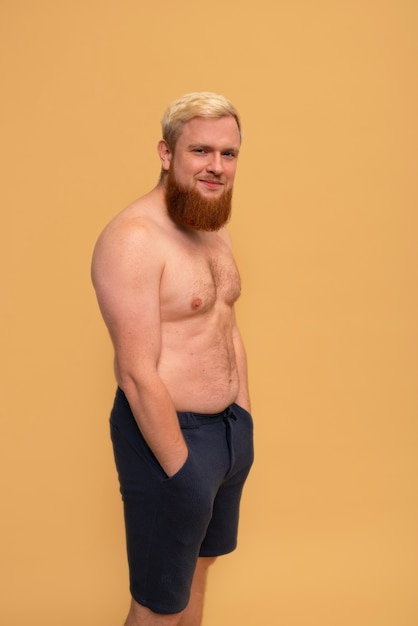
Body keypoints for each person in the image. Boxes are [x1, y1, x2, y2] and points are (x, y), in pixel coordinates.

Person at [91, 91, 254, 626]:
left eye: (228, 154)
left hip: (226, 435)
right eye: (201, 151)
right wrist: (179, 465)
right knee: (159, 603)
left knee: (197, 576)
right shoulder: (134, 239)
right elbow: (137, 374)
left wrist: (244, 420)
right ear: (166, 153)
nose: (216, 167)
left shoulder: (211, 226)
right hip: (169, 438)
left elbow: (226, 327)